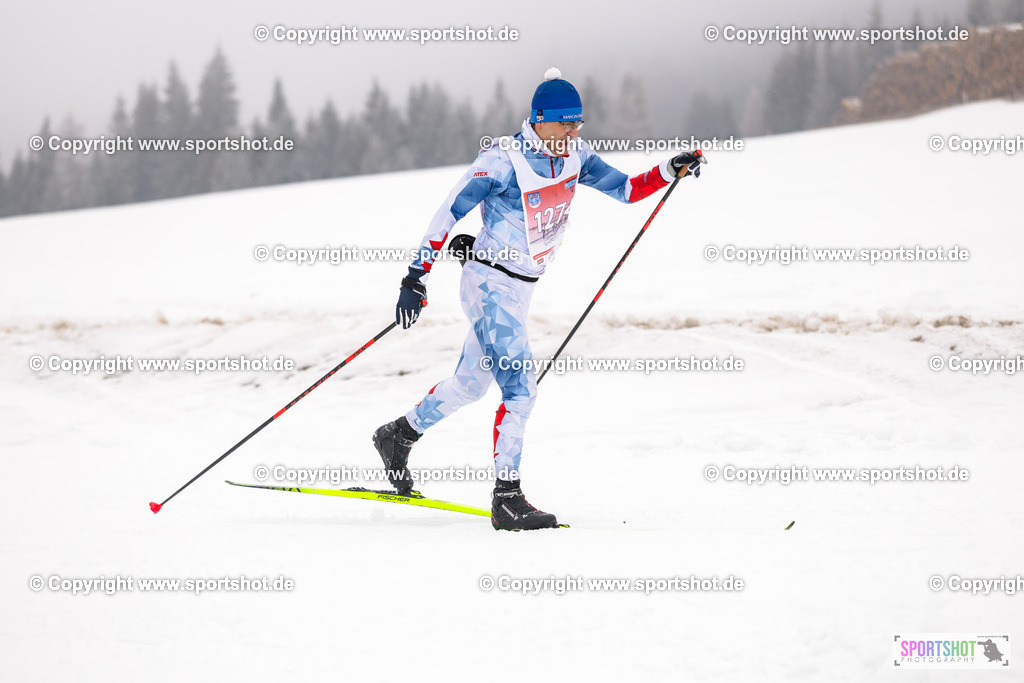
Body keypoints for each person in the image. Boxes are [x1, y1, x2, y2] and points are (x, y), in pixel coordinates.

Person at [373, 68, 704, 531]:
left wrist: (671, 169)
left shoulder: (577, 157)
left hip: (521, 288)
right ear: (540, 119)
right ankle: (507, 498)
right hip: (488, 284)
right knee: (520, 388)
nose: (572, 132)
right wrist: (414, 277)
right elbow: (448, 212)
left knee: (470, 385)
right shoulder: (502, 161)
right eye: (565, 123)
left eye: (578, 124)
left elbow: (627, 190)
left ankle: (398, 435)